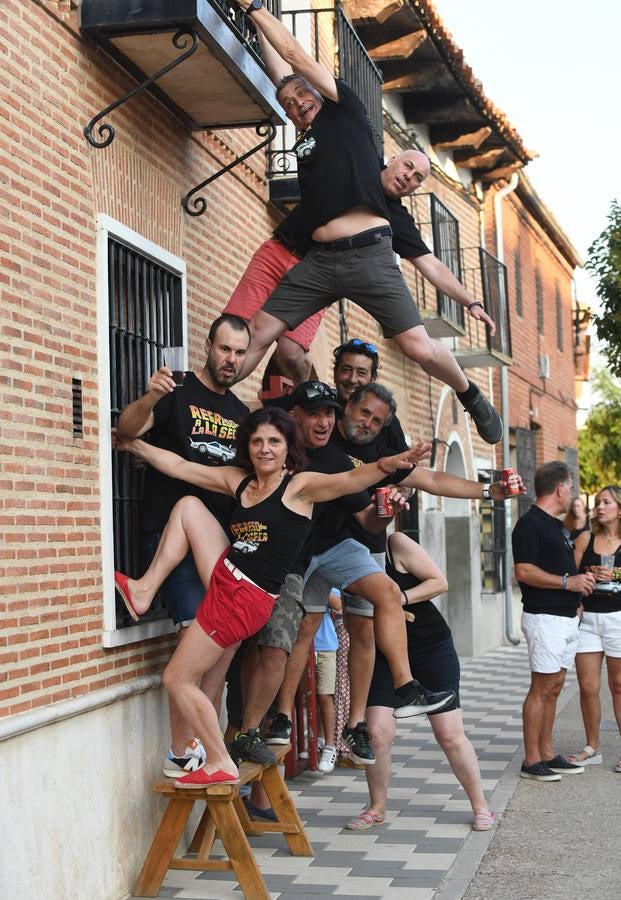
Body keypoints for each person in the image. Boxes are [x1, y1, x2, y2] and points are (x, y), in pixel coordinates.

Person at [230, 2, 502, 445]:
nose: (299, 104)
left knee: (416, 347)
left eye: (416, 177)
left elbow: (429, 264)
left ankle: (471, 396)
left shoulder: (347, 112)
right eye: (292, 104)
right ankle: (207, 394)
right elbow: (283, 71)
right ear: (393, 160)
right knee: (260, 330)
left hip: (370, 260)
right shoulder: (310, 134)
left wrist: (469, 300)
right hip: (318, 263)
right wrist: (263, 31)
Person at [114, 406, 422, 786]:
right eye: (257, 441)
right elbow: (180, 467)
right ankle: (144, 590)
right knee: (189, 507)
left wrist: (389, 463)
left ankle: (218, 761)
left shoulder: (299, 487)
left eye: (274, 442)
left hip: (246, 597)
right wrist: (133, 445)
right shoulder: (239, 481)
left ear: (286, 447)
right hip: (229, 575)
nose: (264, 449)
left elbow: (350, 479)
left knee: (178, 678)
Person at [231, 382, 450, 770]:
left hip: (335, 546)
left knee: (379, 601)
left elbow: (374, 501)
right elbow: (210, 476)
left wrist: (486, 492)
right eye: (315, 413)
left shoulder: (336, 460)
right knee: (282, 640)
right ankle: (272, 720)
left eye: (328, 414)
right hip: (282, 561)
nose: (323, 421)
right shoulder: (273, 450)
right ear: (293, 415)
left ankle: (402, 689)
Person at [330, 380, 525, 752]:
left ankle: (359, 722)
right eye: (364, 412)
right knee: (305, 626)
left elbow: (432, 479)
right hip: (312, 543)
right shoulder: (325, 436)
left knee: (367, 629)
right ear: (347, 406)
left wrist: (488, 492)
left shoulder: (382, 450)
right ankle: (278, 723)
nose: (368, 423)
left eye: (377, 420)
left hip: (361, 547)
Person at [115, 313, 250, 778]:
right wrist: (152, 394)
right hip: (173, 539)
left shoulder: (242, 415)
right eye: (224, 348)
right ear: (208, 346)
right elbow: (129, 430)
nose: (231, 359)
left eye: (238, 352)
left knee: (221, 645)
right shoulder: (179, 391)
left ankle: (196, 744)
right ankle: (182, 751)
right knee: (198, 639)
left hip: (217, 545)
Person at [346, 531, 495, 832]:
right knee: (377, 731)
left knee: (449, 732)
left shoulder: (394, 544)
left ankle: (481, 806)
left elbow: (439, 581)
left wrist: (396, 598)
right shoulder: (342, 554)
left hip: (430, 647)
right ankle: (376, 806)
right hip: (381, 653)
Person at [512, 461, 596, 781]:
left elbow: (560, 569)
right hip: (544, 618)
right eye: (571, 487)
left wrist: (579, 586)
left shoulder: (555, 525)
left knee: (555, 686)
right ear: (559, 488)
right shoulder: (530, 524)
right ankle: (531, 760)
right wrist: (567, 583)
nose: (571, 493)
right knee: (541, 687)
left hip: (563, 618)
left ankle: (546, 752)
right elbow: (524, 571)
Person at [569, 485, 621, 770]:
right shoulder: (585, 539)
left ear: (619, 509)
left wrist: (614, 574)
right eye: (598, 502)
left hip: (619, 618)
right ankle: (593, 746)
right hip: (588, 620)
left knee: (619, 685)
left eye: (607, 502)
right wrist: (588, 573)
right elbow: (570, 575)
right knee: (588, 687)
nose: (600, 507)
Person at [314, 591, 341, 774]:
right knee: (306, 699)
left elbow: (338, 605)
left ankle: (330, 747)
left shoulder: (326, 576)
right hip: (300, 645)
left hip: (325, 646)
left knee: (325, 695)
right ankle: (318, 739)